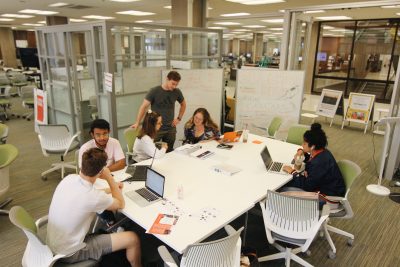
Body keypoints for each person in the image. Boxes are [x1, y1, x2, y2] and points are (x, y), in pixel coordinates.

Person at [47, 148, 142, 266]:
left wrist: (110, 189)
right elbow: (120, 203)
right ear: (101, 171)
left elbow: (90, 196)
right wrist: (109, 178)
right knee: (133, 239)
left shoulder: (69, 178)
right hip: (71, 252)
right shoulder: (93, 196)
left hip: (53, 245)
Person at [282, 123, 346, 197]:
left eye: (304, 143)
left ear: (312, 146)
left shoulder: (319, 163)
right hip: (326, 188)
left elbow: (307, 186)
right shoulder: (322, 152)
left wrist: (292, 171)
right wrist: (302, 151)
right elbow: (311, 159)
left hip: (328, 197)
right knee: (290, 182)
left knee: (283, 190)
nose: (302, 145)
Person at [131, 71, 186, 152]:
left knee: (169, 151)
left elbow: (183, 104)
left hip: (170, 128)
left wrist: (179, 118)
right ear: (167, 79)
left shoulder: (177, 92)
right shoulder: (154, 91)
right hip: (155, 128)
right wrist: (137, 122)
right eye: (173, 83)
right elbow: (144, 106)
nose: (174, 86)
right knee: (151, 152)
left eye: (176, 84)